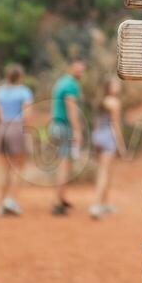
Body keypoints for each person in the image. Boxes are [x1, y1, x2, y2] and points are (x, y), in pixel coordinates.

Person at [0, 63, 33, 217]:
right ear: (20, 77)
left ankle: (1, 203)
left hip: (3, 127)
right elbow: (28, 116)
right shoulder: (24, 92)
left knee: (5, 170)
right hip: (17, 128)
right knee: (19, 167)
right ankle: (11, 200)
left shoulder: (0, 92)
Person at [50, 58, 85, 216]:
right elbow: (72, 110)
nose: (80, 73)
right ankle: (58, 203)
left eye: (82, 70)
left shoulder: (61, 82)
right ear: (71, 67)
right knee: (64, 165)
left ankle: (62, 197)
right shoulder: (71, 85)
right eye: (78, 69)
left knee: (64, 163)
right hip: (65, 127)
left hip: (56, 125)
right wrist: (77, 131)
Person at [89, 78, 127, 219]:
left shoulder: (102, 101)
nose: (118, 86)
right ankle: (96, 205)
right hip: (108, 137)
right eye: (115, 84)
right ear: (109, 87)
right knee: (105, 172)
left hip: (98, 135)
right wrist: (121, 146)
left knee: (106, 170)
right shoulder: (115, 102)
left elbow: (96, 122)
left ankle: (104, 203)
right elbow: (116, 125)